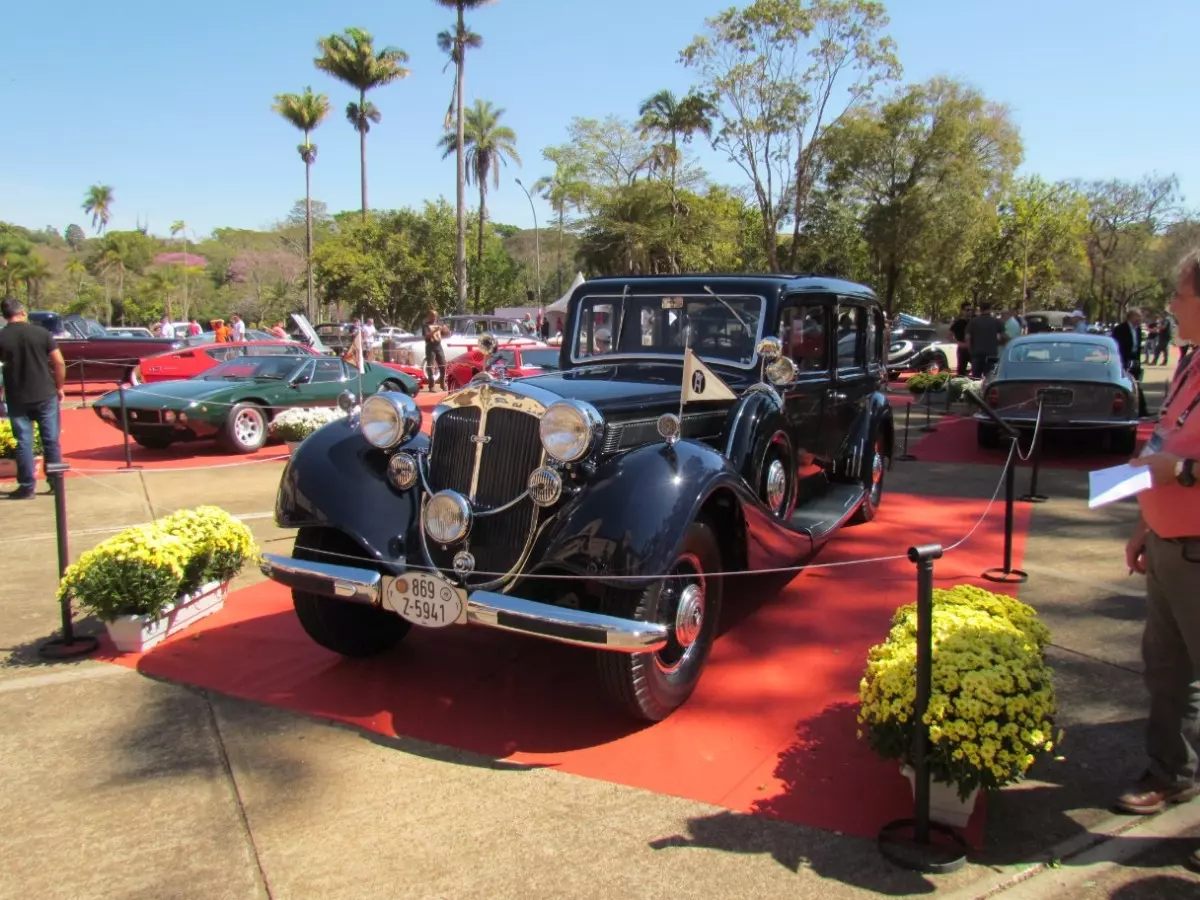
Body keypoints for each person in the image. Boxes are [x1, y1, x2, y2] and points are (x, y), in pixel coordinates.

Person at [1119, 250, 1200, 875]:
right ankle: (1171, 774)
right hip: (1171, 543)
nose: (1170, 305)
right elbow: (1165, 439)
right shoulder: (1188, 364)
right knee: (1166, 670)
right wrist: (1145, 521)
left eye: (1179, 293)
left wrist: (1186, 472)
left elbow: (1181, 459)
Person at [0, 297, 65, 499]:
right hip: (45, 393)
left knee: (24, 442)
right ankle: (56, 484)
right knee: (50, 441)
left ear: (4, 316)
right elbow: (59, 362)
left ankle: (27, 486)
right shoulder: (41, 333)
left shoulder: (2, 337)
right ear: (23, 313)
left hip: (17, 396)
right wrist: (59, 386)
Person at [1112, 308, 1150, 418]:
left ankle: (1142, 411)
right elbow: (1116, 346)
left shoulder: (1137, 330)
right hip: (1123, 360)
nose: (1140, 319)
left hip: (1134, 360)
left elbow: (1137, 346)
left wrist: (1138, 362)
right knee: (1127, 384)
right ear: (1131, 317)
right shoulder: (1120, 329)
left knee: (1136, 383)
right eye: (1138, 316)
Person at [965, 304, 1003, 377]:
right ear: (990, 309)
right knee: (990, 377)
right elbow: (1003, 336)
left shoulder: (973, 322)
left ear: (981, 310)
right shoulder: (996, 321)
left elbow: (967, 338)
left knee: (976, 378)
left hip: (977, 354)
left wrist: (970, 350)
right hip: (991, 354)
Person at [422, 309, 449, 392]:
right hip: (430, 347)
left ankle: (442, 383)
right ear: (429, 316)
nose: (433, 317)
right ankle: (431, 385)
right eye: (432, 316)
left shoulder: (439, 324)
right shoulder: (426, 326)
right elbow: (426, 336)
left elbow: (447, 334)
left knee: (443, 365)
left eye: (435, 316)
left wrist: (445, 329)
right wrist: (435, 330)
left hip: (438, 346)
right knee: (430, 367)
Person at [949, 303, 973, 376]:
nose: (969, 312)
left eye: (970, 310)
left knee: (977, 370)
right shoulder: (958, 323)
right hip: (962, 350)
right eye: (967, 310)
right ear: (962, 311)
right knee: (961, 373)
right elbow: (948, 336)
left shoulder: (972, 322)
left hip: (973, 349)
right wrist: (959, 343)